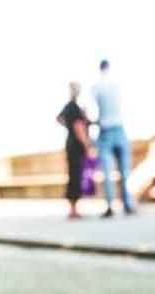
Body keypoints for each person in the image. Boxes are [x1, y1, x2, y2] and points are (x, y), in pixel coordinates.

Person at [91, 59, 135, 217]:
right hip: (120, 128)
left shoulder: (97, 86)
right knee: (124, 171)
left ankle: (110, 205)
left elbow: (91, 111)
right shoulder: (118, 85)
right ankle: (127, 205)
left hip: (106, 130)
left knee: (107, 172)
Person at [56, 82, 94, 219]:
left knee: (72, 175)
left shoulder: (68, 107)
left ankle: (73, 209)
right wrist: (87, 145)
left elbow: (58, 119)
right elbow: (79, 128)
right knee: (76, 176)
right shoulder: (75, 107)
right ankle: (73, 210)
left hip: (69, 143)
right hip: (76, 145)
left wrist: (68, 126)